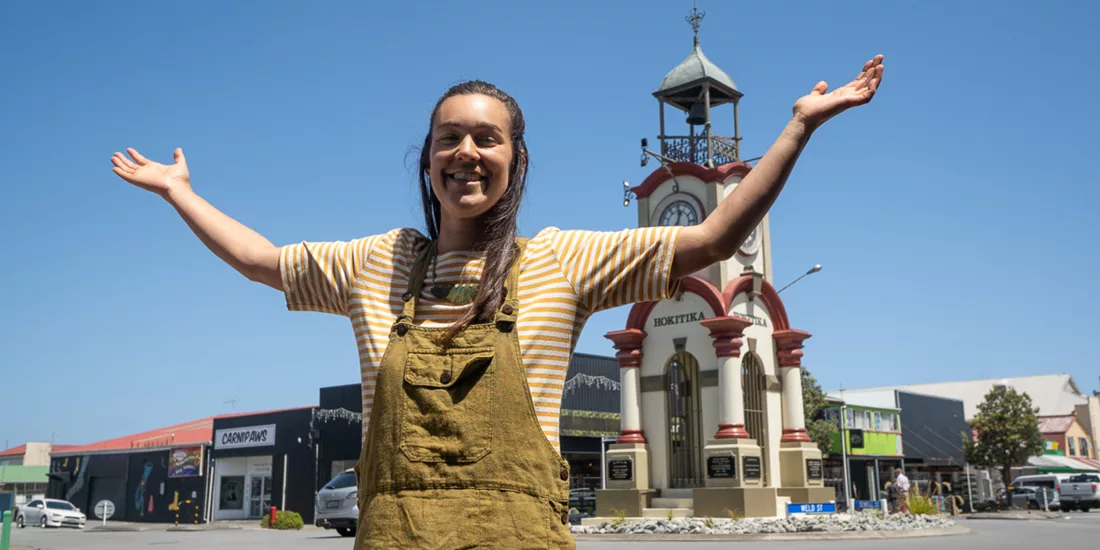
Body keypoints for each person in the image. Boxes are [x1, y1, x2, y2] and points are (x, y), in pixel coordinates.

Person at [109, 56, 884, 549]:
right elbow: (260, 262)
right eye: (449, 138)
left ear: (516, 159)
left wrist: (797, 130)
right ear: (428, 156)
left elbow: (714, 237)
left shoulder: (562, 262)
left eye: (487, 139)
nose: (466, 154)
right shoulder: (375, 264)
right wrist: (181, 193)